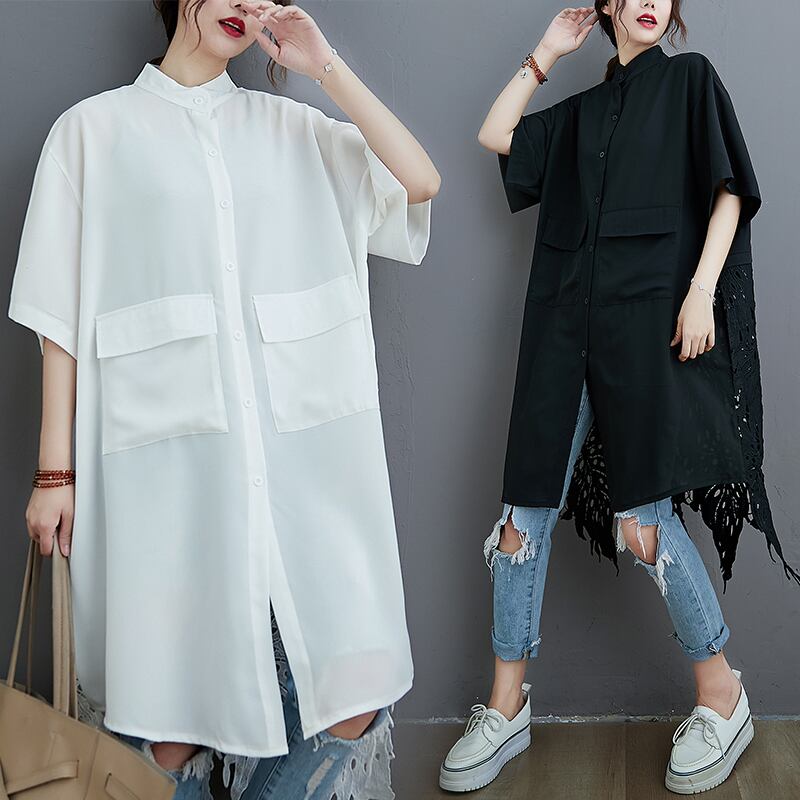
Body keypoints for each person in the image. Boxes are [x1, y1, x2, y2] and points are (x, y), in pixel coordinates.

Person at [8, 1, 439, 798]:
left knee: (352, 693)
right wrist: (53, 474)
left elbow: (419, 182)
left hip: (306, 478)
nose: (241, 4)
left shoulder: (293, 130)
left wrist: (324, 68)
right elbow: (55, 316)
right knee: (169, 724)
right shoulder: (91, 134)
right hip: (167, 478)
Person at [439, 1, 798, 795]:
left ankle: (722, 694)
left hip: (647, 332)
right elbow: (497, 135)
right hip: (561, 330)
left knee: (644, 525)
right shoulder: (580, 114)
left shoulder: (691, 81)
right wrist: (545, 52)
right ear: (606, 6)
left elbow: (730, 190)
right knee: (518, 525)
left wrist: (701, 291)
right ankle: (506, 708)